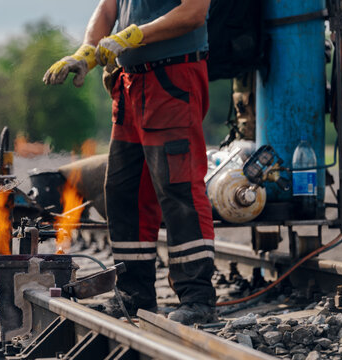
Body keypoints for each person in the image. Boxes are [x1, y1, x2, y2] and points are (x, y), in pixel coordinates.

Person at [43, 0, 217, 325]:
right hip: (131, 84)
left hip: (173, 78)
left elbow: (193, 13)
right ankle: (134, 295)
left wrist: (133, 36)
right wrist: (87, 51)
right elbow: (109, 8)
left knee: (179, 188)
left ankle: (197, 298)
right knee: (124, 193)